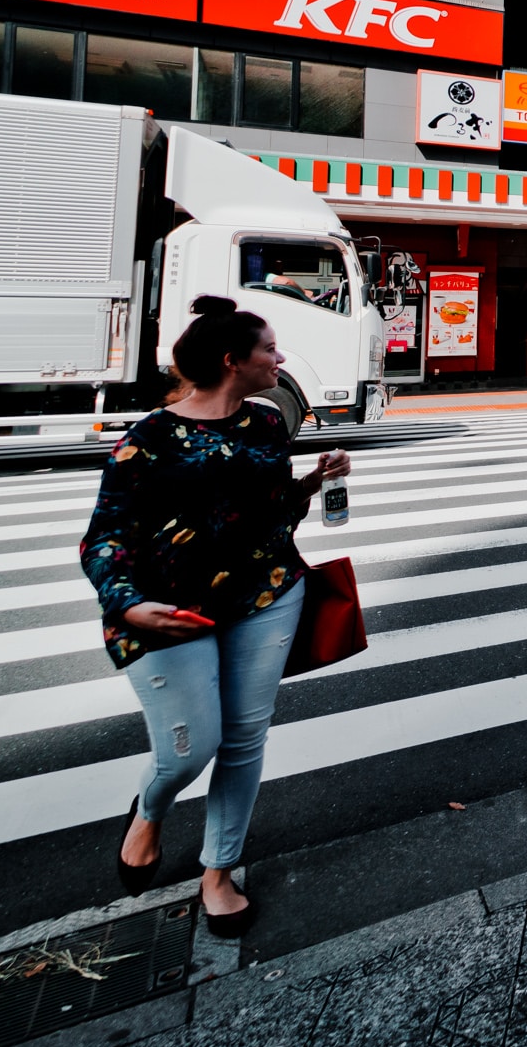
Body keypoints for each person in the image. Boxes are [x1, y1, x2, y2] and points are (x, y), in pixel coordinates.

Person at [83, 296, 351, 937]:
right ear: (234, 361)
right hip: (171, 611)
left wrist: (313, 483)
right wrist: (129, 604)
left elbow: (270, 511)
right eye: (269, 350)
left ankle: (218, 872)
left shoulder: (264, 423)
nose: (280, 359)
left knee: (243, 739)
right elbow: (104, 537)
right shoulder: (149, 437)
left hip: (266, 595)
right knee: (190, 747)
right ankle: (150, 807)